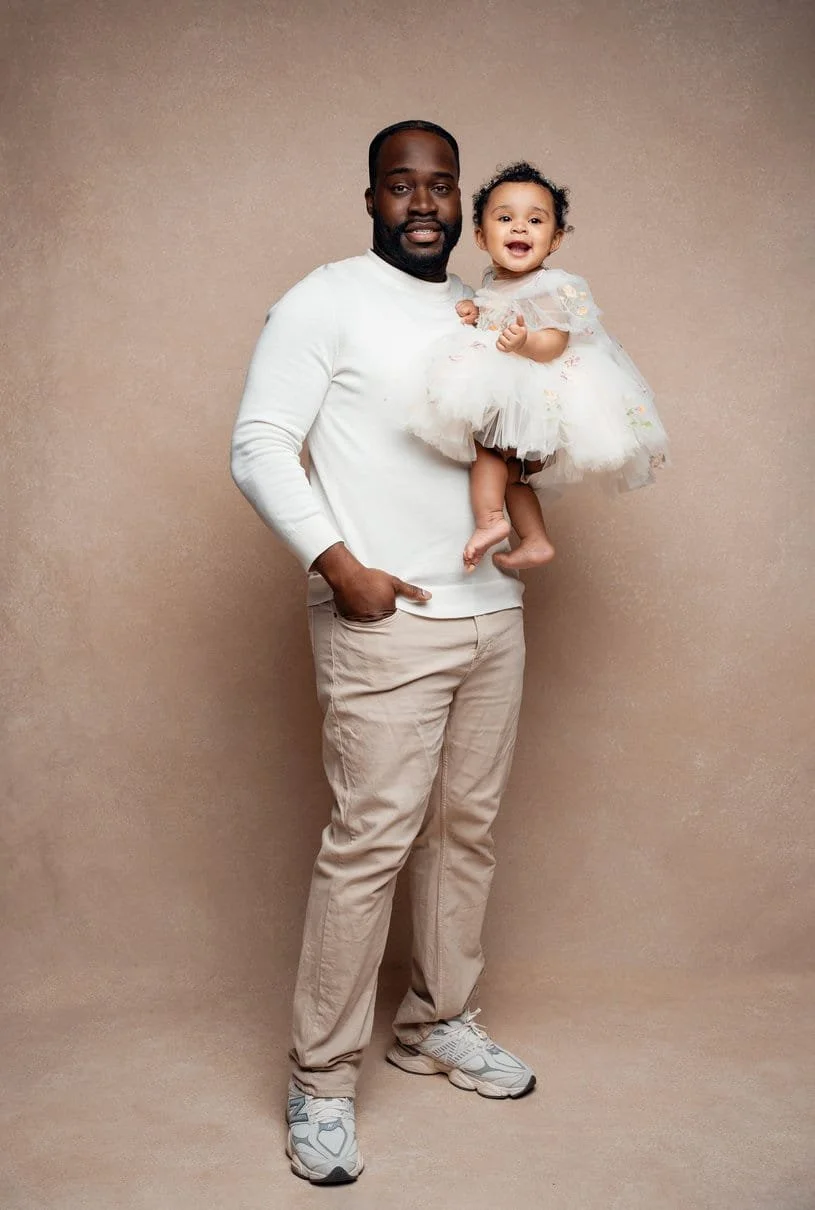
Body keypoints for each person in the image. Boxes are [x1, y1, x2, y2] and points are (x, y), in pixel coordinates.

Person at [231, 121, 536, 1186]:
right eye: (400, 185)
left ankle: (435, 1021)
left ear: (461, 200)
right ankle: (319, 1080)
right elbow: (259, 443)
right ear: (370, 198)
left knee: (465, 833)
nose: (422, 203)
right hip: (384, 616)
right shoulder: (323, 300)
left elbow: (500, 445)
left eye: (440, 185)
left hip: (491, 612)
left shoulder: (482, 307)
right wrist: (337, 563)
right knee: (370, 844)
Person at [408, 161, 669, 572]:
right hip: (516, 388)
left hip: (536, 388)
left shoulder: (552, 286)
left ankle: (491, 520)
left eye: (535, 220)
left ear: (555, 238)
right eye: (505, 218)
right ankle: (534, 538)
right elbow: (497, 313)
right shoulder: (494, 283)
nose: (520, 228)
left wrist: (526, 342)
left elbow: (555, 342)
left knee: (486, 451)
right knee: (512, 473)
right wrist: (476, 311)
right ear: (480, 236)